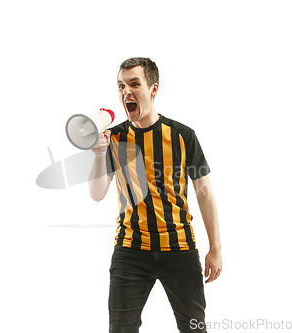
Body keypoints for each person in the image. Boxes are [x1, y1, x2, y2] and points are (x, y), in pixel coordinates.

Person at [88, 57, 222, 333]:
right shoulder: (113, 138)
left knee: (194, 328)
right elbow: (97, 194)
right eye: (121, 86)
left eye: (134, 84)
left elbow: (205, 193)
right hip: (130, 250)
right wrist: (99, 154)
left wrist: (215, 249)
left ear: (153, 89)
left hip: (180, 249)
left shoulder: (183, 136)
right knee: (121, 329)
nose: (126, 91)